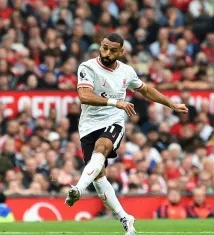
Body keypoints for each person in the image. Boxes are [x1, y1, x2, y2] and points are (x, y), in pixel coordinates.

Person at [65, 33, 188, 235]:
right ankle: (125, 218)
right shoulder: (87, 67)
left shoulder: (127, 72)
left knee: (102, 147)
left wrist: (171, 104)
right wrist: (117, 102)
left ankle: (77, 189)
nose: (106, 52)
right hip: (88, 126)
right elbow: (84, 96)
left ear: (121, 52)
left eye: (112, 49)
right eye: (104, 47)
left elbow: (146, 90)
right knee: (98, 177)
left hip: (113, 121)